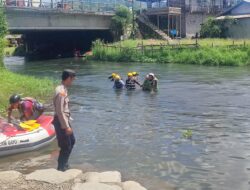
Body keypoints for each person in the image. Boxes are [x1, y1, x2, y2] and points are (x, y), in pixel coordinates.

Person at [53, 69, 76, 171]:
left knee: (72, 141)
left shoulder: (63, 89)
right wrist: (66, 127)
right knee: (66, 146)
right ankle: (61, 168)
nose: (73, 81)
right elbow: (60, 111)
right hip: (61, 122)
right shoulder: (61, 91)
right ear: (68, 78)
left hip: (64, 120)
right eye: (72, 79)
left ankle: (64, 164)